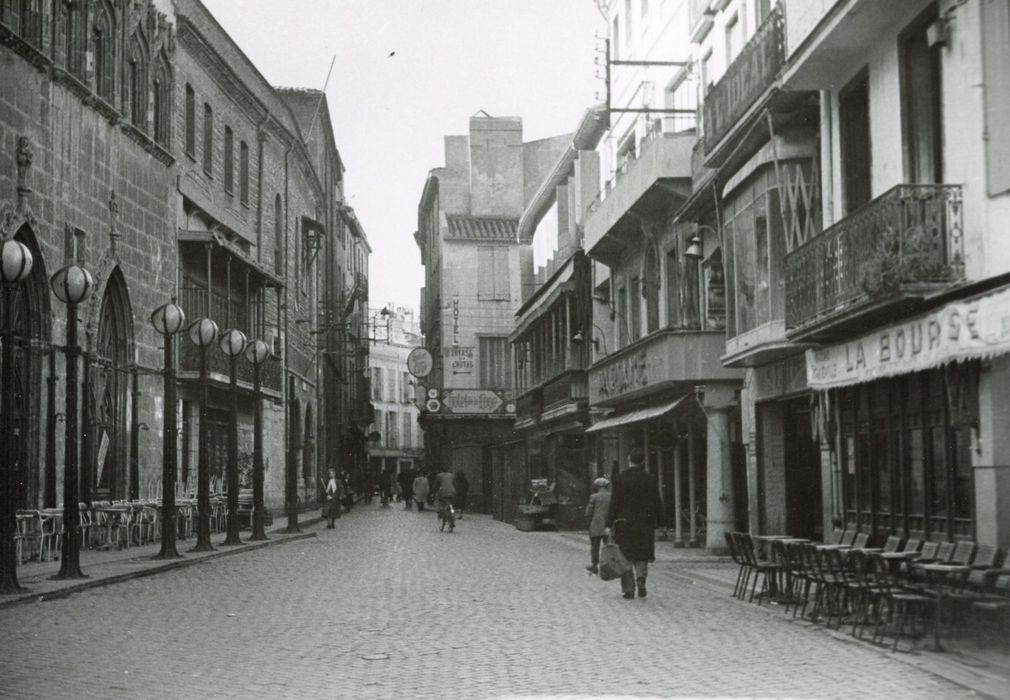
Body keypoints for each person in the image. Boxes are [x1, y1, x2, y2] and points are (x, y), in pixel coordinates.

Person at [606, 448, 663, 599]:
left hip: (624, 523)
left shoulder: (619, 478)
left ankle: (629, 589)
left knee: (625, 555)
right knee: (642, 554)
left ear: (629, 460)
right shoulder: (650, 478)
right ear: (643, 461)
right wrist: (661, 521)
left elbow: (615, 503)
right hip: (645, 522)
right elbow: (656, 501)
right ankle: (641, 579)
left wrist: (608, 523)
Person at [584, 477, 611, 575]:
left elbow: (588, 513)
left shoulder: (594, 497)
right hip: (609, 525)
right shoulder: (611, 496)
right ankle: (609, 566)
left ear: (597, 486)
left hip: (596, 525)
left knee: (595, 547)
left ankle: (594, 565)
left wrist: (589, 523)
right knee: (609, 546)